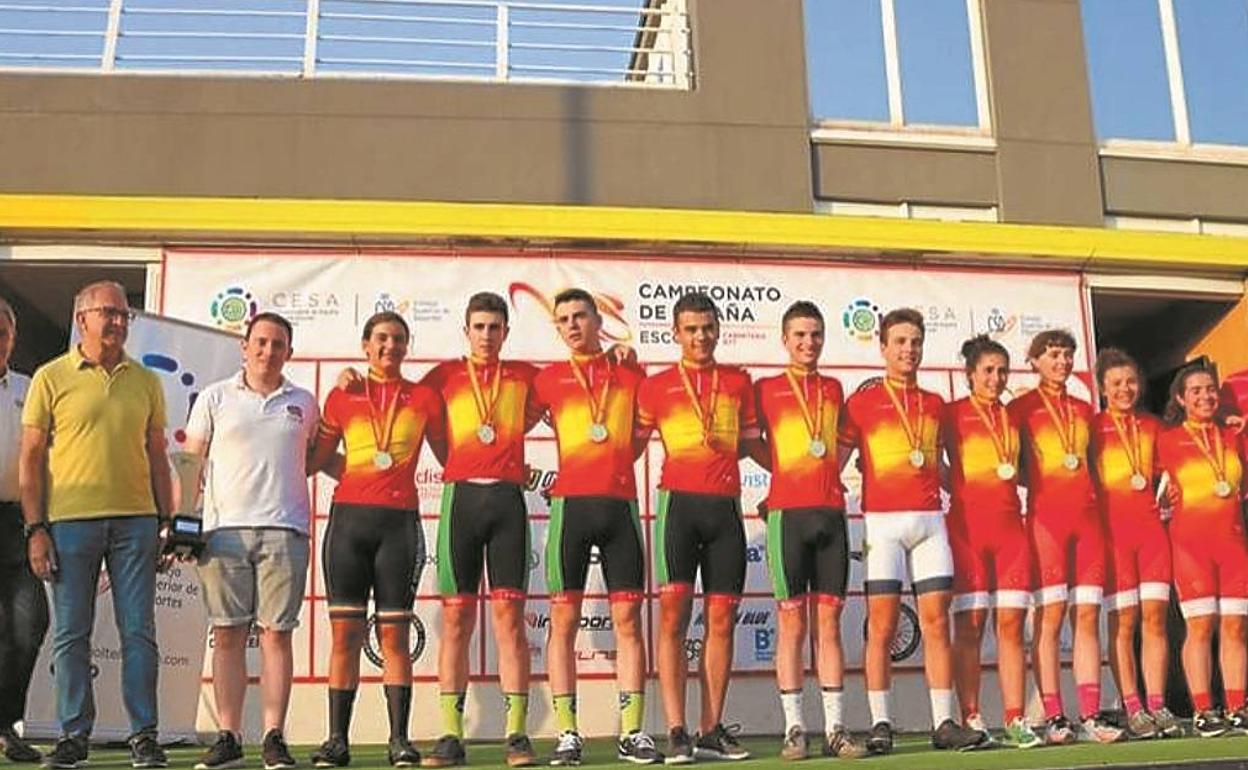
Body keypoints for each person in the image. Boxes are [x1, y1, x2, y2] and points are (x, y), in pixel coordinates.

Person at [20, 281, 173, 769]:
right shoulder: (50, 377)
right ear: (81, 317)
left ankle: (144, 736)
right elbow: (30, 458)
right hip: (69, 524)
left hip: (137, 524)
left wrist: (167, 520)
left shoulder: (146, 380)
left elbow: (158, 455)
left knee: (139, 633)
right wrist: (35, 528)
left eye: (125, 315)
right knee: (71, 634)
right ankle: (72, 736)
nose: (118, 322)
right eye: (109, 312)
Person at [837, 308, 986, 754]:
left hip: (930, 523)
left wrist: (973, 497)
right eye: (900, 342)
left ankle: (943, 722)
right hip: (883, 524)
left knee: (936, 623)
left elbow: (938, 466)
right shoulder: (860, 404)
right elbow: (836, 463)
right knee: (882, 626)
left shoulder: (936, 404)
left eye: (916, 342)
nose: (909, 350)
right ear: (883, 347)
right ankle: (881, 723)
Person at [181, 312, 319, 770]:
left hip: (286, 529)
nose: (268, 351)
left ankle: (274, 737)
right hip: (224, 532)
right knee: (227, 634)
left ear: (289, 352)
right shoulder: (214, 397)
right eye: (260, 342)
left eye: (277, 344)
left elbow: (314, 456)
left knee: (277, 636)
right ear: (245, 346)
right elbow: (191, 461)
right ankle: (229, 736)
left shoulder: (305, 402)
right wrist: (181, 522)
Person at [309, 312, 444, 768]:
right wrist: (360, 474)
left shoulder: (424, 397)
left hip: (399, 526)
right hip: (348, 524)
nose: (391, 346)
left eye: (399, 339)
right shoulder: (343, 395)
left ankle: (399, 740)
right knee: (344, 637)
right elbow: (316, 461)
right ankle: (336, 740)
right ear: (366, 345)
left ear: (408, 345)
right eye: (382, 338)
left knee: (395, 637)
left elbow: (453, 456)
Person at [531, 289, 660, 766]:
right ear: (557, 327)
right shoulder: (547, 379)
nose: (572, 325)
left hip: (620, 507)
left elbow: (641, 436)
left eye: (580, 316)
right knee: (563, 622)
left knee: (628, 622)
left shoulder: (630, 372)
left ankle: (633, 732)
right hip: (570, 509)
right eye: (563, 319)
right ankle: (568, 733)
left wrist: (616, 463)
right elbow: (502, 424)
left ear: (596, 320)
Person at [635, 291, 759, 764]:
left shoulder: (739, 383)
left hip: (725, 508)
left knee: (722, 619)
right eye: (690, 329)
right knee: (673, 618)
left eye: (707, 328)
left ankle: (710, 727)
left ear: (719, 329)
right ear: (675, 333)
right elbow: (627, 446)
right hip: (678, 509)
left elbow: (752, 446)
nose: (700, 337)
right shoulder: (656, 386)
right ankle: (676, 729)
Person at [420, 293, 540, 769]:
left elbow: (575, 387)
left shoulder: (526, 376)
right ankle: (451, 734)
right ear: (466, 330)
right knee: (456, 621)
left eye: (495, 327)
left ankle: (516, 734)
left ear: (506, 331)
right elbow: (405, 403)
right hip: (461, 502)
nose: (486, 335)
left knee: (510, 621)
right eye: (479, 327)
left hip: (508, 502)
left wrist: (621, 358)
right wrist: (352, 377)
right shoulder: (443, 376)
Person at [751, 301, 863, 760]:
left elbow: (839, 447)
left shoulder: (834, 389)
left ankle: (835, 728)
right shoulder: (766, 389)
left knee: (830, 624)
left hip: (831, 514)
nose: (808, 342)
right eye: (799, 335)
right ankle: (794, 729)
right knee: (792, 624)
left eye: (815, 334)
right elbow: (748, 442)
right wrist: (785, 473)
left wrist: (824, 473)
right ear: (784, 339)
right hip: (787, 517)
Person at [1009, 329, 1122, 744]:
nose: (1061, 362)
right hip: (1046, 523)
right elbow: (1009, 463)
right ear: (1035, 361)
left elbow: (1092, 464)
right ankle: (1054, 716)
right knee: (1051, 618)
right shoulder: (1020, 408)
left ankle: (1091, 715)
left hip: (1087, 524)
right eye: (1053, 355)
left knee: (1088, 617)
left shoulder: (1083, 409)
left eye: (1067, 355)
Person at [943, 335, 1036, 748]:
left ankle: (1015, 718)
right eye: (987, 371)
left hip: (1011, 531)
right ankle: (972, 716)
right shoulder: (950, 414)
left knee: (1012, 626)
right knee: (971, 626)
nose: (996, 378)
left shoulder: (1014, 416)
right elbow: (927, 460)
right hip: (968, 531)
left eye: (1002, 371)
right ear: (970, 374)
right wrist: (959, 487)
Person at [1090, 348, 1179, 739]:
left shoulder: (1154, 426)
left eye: (1131, 382)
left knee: (1155, 619)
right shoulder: (1092, 428)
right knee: (1123, 623)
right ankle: (1133, 707)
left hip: (1152, 535)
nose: (1125, 389)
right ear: (1103, 388)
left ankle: (1157, 705)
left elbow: (1176, 467)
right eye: (1116, 383)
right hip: (1113, 537)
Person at [1158, 361, 1248, 737]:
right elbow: (1150, 492)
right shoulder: (1167, 440)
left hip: (1233, 544)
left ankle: (1237, 707)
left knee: (1236, 626)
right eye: (1195, 391)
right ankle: (1203, 710)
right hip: (1191, 547)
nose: (1205, 396)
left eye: (1210, 389)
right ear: (1181, 399)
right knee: (1200, 627)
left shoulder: (1233, 436)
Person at [0, 297, 48, 763]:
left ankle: (4, 724)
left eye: (2, 334)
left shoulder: (29, 388)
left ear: (13, 339)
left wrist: (41, 524)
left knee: (30, 623)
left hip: (17, 520)